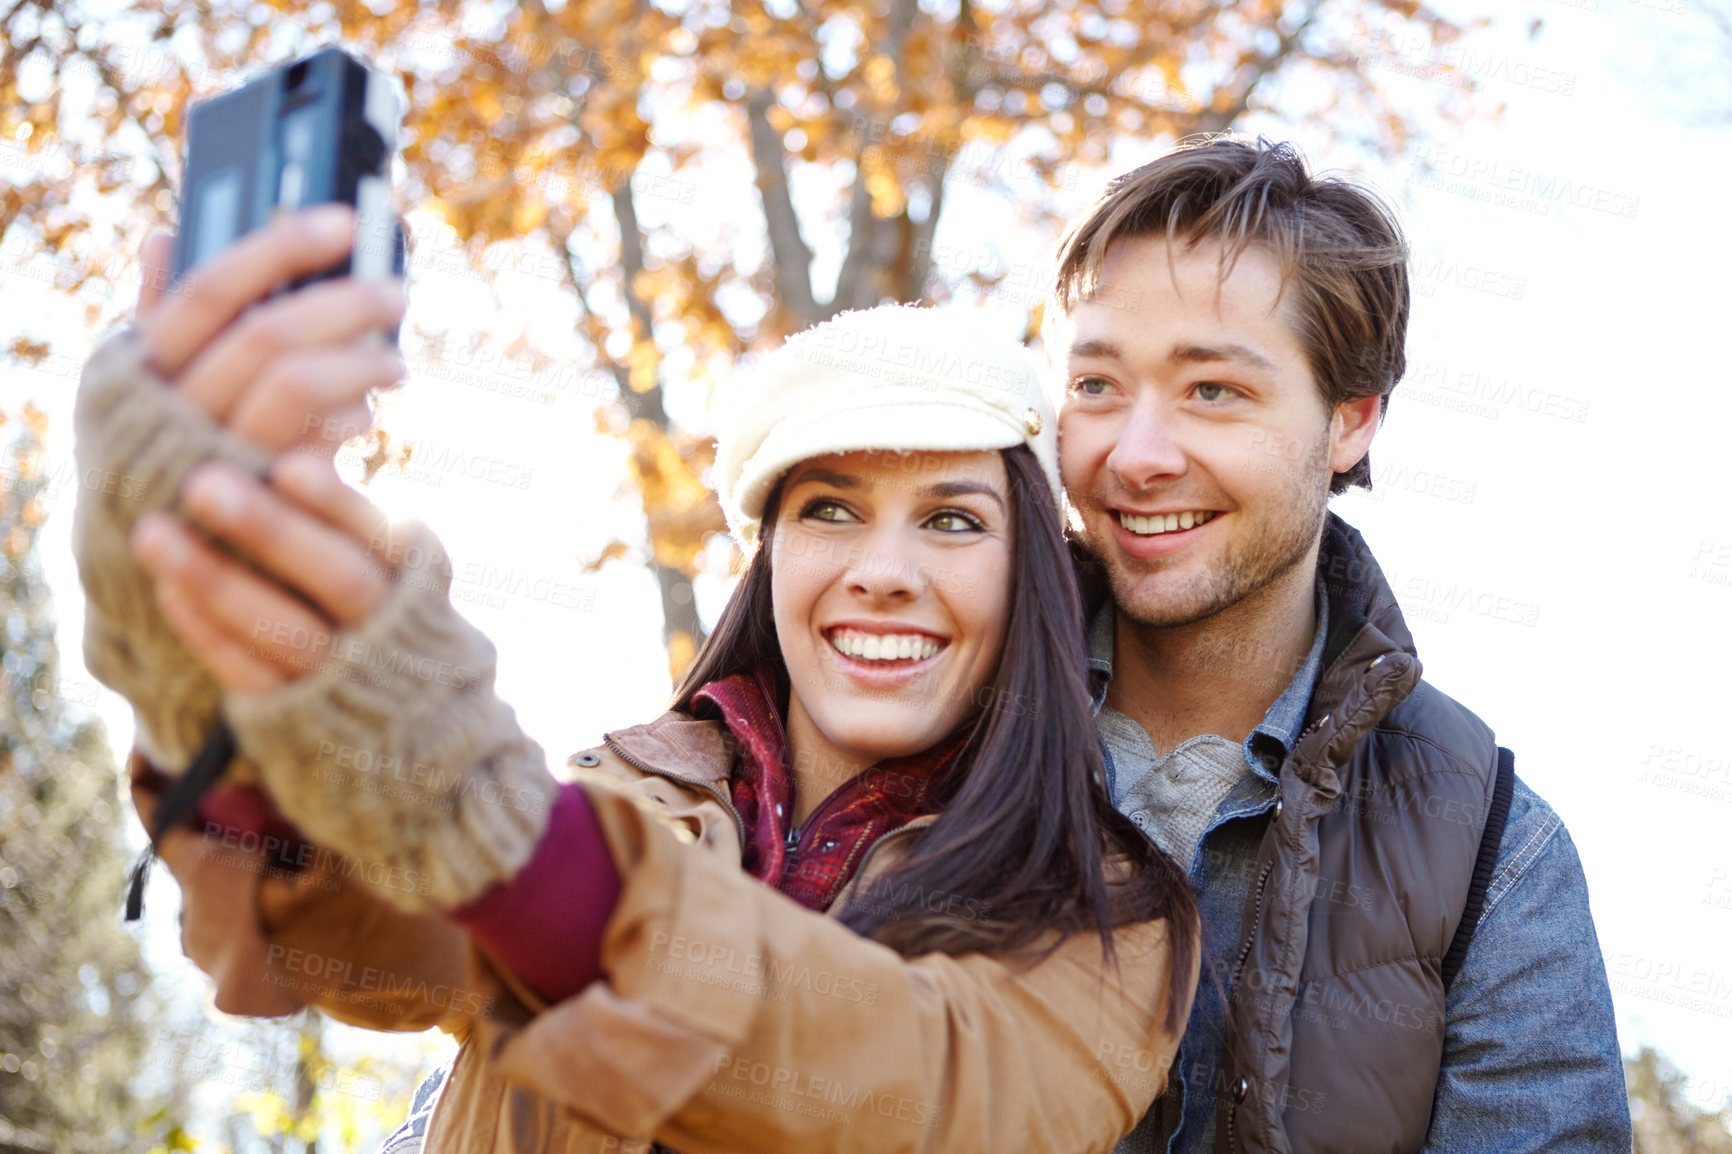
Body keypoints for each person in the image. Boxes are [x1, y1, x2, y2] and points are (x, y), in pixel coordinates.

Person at [74, 234, 1201, 1152]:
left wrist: (511, 836)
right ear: (769, 559)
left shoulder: (1110, 913)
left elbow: (916, 1095)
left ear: (1032, 581)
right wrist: (209, 668)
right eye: (829, 508)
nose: (882, 569)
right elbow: (341, 942)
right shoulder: (621, 795)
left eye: (953, 519)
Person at [1040, 136, 1630, 1152]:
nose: (1134, 454)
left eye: (1211, 390)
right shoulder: (927, 727)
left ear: (1350, 420)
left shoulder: (1492, 851)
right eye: (1095, 385)